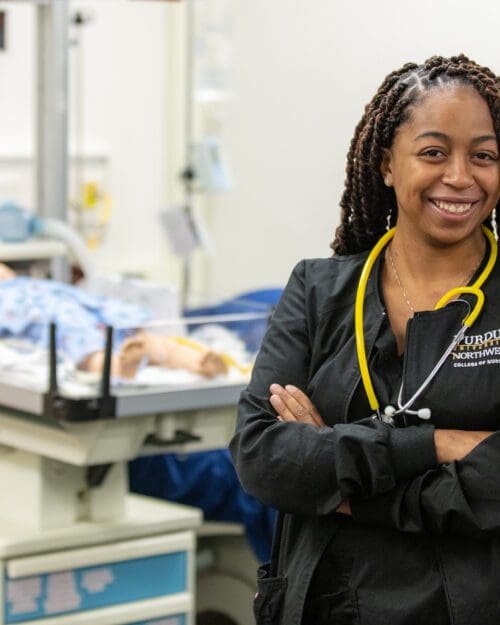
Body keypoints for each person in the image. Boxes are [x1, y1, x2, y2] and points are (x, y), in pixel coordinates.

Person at [230, 54, 500, 625]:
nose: (459, 176)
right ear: (385, 165)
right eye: (433, 152)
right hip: (324, 602)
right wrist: (436, 445)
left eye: (484, 155)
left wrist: (343, 485)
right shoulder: (318, 290)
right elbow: (261, 456)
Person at [0, 264, 227, 379]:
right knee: (90, 337)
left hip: (61, 303)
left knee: (92, 340)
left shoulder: (14, 285)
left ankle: (198, 361)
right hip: (52, 307)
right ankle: (124, 365)